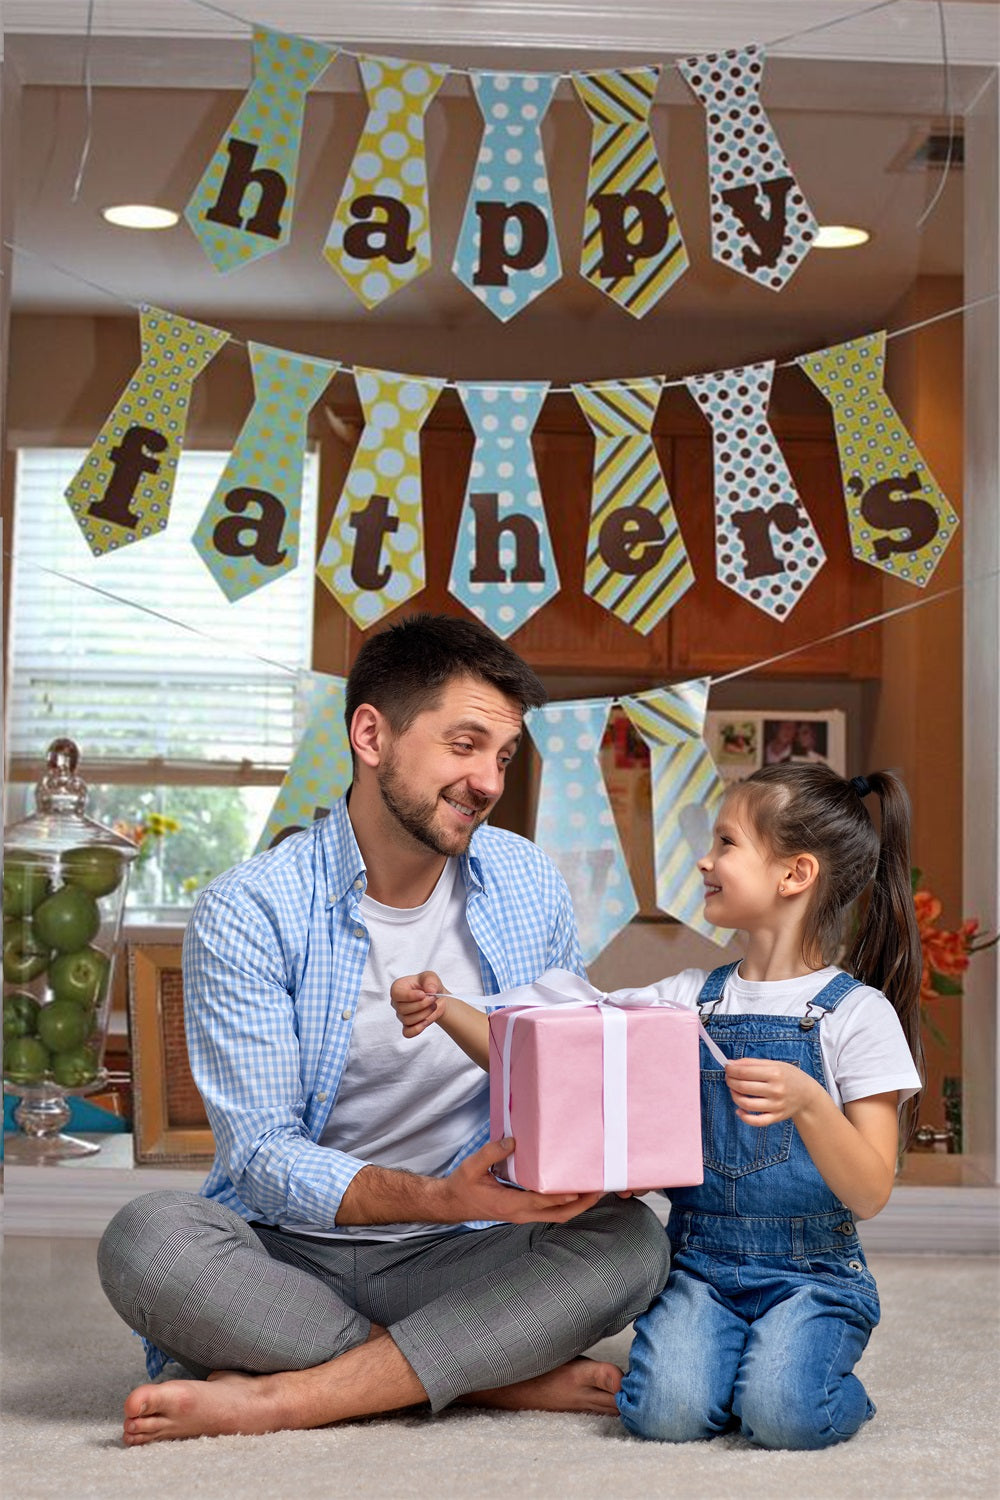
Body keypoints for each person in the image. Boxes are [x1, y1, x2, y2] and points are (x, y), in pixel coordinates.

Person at [97, 613, 669, 1446]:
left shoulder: (527, 882)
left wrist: (598, 1152)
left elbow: (560, 1071)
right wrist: (437, 1194)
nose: (487, 781)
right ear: (371, 734)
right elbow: (258, 1158)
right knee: (145, 1242)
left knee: (633, 1245)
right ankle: (480, 1377)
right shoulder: (249, 907)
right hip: (288, 1254)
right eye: (464, 744)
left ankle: (290, 1395)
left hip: (466, 1251)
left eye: (503, 756)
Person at [391, 762, 923, 1451]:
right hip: (700, 1263)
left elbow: (871, 1189)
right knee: (663, 1415)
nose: (704, 859)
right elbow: (549, 1062)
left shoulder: (858, 1016)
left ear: (796, 874)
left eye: (727, 843)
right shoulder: (686, 998)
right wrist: (446, 1009)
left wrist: (812, 1105)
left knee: (786, 1416)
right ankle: (749, 1365)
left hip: (813, 1273)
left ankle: (811, 1378)